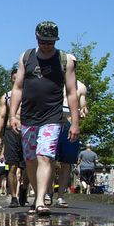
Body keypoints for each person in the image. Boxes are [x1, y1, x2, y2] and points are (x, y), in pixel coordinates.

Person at [8, 21, 80, 216]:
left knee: (45, 156)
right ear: (36, 38)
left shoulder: (65, 60)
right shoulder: (26, 57)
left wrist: (75, 122)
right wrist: (13, 115)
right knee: (31, 160)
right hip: (28, 117)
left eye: (51, 42)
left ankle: (40, 200)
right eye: (43, 41)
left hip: (52, 117)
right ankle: (37, 195)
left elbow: (72, 92)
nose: (47, 45)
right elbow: (18, 88)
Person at [51, 78, 88, 207]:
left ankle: (60, 196)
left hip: (69, 127)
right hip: (53, 124)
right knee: (49, 161)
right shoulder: (54, 80)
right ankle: (47, 193)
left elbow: (83, 105)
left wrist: (83, 110)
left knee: (66, 164)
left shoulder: (81, 87)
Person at [0, 64, 27, 208]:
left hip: (27, 132)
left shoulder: (30, 95)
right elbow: (1, 117)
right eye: (14, 79)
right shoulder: (6, 97)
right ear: (11, 80)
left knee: (28, 167)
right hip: (10, 132)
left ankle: (24, 188)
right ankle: (14, 197)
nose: (17, 80)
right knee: (12, 166)